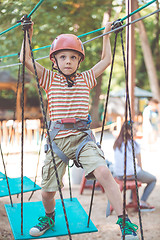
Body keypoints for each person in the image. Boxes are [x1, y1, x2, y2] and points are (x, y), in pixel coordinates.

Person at [20, 18, 139, 239]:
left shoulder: (86, 79)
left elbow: (106, 60)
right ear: (54, 60)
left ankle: (124, 221)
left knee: (104, 172)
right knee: (47, 192)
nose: (68, 61)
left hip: (83, 139)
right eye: (63, 57)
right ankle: (49, 216)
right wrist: (29, 33)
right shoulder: (48, 78)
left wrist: (106, 33)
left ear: (79, 61)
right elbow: (25, 58)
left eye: (73, 57)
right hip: (58, 142)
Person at [113, 121, 156, 211]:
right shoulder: (134, 143)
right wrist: (141, 170)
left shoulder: (117, 143)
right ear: (128, 130)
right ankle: (143, 201)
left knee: (134, 171)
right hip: (130, 174)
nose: (135, 131)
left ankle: (132, 199)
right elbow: (139, 162)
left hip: (119, 175)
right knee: (153, 179)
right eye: (134, 129)